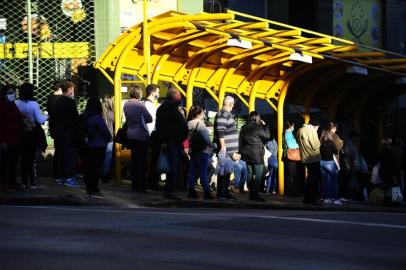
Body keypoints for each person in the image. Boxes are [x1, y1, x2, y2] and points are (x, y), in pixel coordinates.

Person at [156, 87, 188, 200]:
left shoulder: (172, 108)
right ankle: (169, 190)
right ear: (174, 96)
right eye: (179, 95)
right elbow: (161, 126)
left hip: (176, 142)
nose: (180, 98)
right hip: (171, 142)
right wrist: (164, 141)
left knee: (176, 167)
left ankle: (172, 189)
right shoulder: (165, 108)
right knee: (173, 167)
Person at [16, 83, 48, 189]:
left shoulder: (16, 103)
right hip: (33, 134)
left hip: (20, 134)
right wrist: (47, 115)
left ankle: (24, 182)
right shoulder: (34, 104)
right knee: (32, 160)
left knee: (23, 159)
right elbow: (39, 120)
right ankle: (33, 182)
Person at [81, 97, 112, 197]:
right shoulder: (97, 117)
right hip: (98, 145)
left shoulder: (83, 116)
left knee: (88, 168)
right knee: (96, 168)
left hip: (86, 145)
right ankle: (95, 190)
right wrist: (109, 138)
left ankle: (89, 189)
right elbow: (105, 132)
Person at [124, 86, 152, 192]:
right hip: (141, 135)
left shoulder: (126, 104)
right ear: (138, 94)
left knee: (134, 161)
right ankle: (141, 185)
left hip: (130, 134)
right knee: (142, 162)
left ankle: (134, 185)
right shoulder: (140, 105)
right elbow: (149, 118)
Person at [52, 80, 80, 187]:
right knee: (69, 156)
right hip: (68, 132)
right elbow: (75, 118)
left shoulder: (58, 101)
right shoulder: (70, 102)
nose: (73, 91)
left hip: (59, 131)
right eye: (72, 89)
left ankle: (60, 177)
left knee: (61, 155)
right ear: (69, 90)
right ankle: (69, 178)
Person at [239, 111, 270, 201]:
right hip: (256, 154)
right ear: (257, 118)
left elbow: (240, 141)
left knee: (250, 174)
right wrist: (265, 126)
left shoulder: (243, 127)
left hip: (246, 154)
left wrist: (241, 152)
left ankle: (251, 193)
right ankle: (255, 195)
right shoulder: (257, 127)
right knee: (259, 175)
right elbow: (267, 136)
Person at [213, 95, 239, 200]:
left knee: (227, 171)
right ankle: (222, 192)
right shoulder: (223, 114)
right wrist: (223, 146)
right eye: (233, 104)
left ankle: (224, 192)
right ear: (231, 104)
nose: (233, 106)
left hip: (228, 149)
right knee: (224, 171)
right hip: (226, 149)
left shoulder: (226, 114)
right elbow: (220, 131)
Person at [186, 105, 214, 199]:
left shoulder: (189, 123)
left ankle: (191, 190)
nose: (203, 114)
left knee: (192, 171)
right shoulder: (201, 125)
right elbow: (206, 139)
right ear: (198, 114)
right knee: (203, 171)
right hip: (202, 151)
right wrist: (211, 145)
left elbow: (187, 138)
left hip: (192, 150)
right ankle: (207, 192)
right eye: (202, 113)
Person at [0, 84, 22, 190]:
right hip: (5, 139)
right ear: (4, 95)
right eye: (9, 93)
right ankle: (4, 182)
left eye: (13, 92)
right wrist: (2, 140)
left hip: (15, 137)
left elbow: (18, 118)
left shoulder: (13, 105)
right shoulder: (1, 107)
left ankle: (12, 182)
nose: (12, 95)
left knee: (13, 162)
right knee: (4, 163)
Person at [296, 118, 321, 204]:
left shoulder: (300, 130)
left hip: (305, 157)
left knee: (309, 179)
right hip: (313, 158)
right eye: (317, 127)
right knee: (314, 180)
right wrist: (316, 134)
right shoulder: (312, 131)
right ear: (315, 126)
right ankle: (313, 199)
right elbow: (316, 146)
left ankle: (307, 198)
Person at [144, 84, 161, 190]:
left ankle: (152, 182)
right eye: (157, 92)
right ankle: (152, 183)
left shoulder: (147, 104)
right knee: (153, 161)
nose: (158, 94)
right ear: (152, 92)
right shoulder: (148, 105)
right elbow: (151, 122)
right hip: (151, 135)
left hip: (149, 135)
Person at [319, 128, 340, 205]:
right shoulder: (330, 143)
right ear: (329, 135)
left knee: (325, 181)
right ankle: (336, 199)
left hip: (321, 163)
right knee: (334, 181)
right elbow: (336, 151)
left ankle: (327, 198)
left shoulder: (321, 143)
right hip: (329, 163)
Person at [284, 121, 303, 196]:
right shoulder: (288, 134)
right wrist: (298, 145)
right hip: (292, 156)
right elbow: (291, 145)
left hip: (291, 156)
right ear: (291, 126)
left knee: (291, 174)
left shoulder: (288, 133)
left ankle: (292, 190)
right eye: (293, 126)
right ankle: (293, 191)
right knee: (292, 174)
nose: (294, 128)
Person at [101, 95, 114, 182]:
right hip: (110, 137)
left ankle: (102, 174)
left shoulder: (101, 113)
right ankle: (106, 175)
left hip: (101, 137)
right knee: (108, 157)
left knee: (102, 156)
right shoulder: (111, 113)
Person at [266, 130, 278, 194]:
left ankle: (268, 189)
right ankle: (273, 189)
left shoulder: (268, 142)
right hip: (275, 159)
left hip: (270, 159)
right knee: (274, 175)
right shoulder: (276, 142)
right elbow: (274, 151)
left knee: (270, 175)